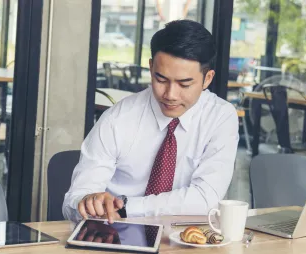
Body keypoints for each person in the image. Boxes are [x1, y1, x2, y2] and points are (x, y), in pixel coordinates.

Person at [62, 20, 239, 223]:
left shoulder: (220, 117)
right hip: (114, 236)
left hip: (185, 240)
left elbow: (206, 198)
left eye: (184, 83)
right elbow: (73, 201)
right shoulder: (118, 118)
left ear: (207, 79)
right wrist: (86, 202)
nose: (170, 95)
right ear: (150, 67)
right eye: (161, 79)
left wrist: (127, 206)